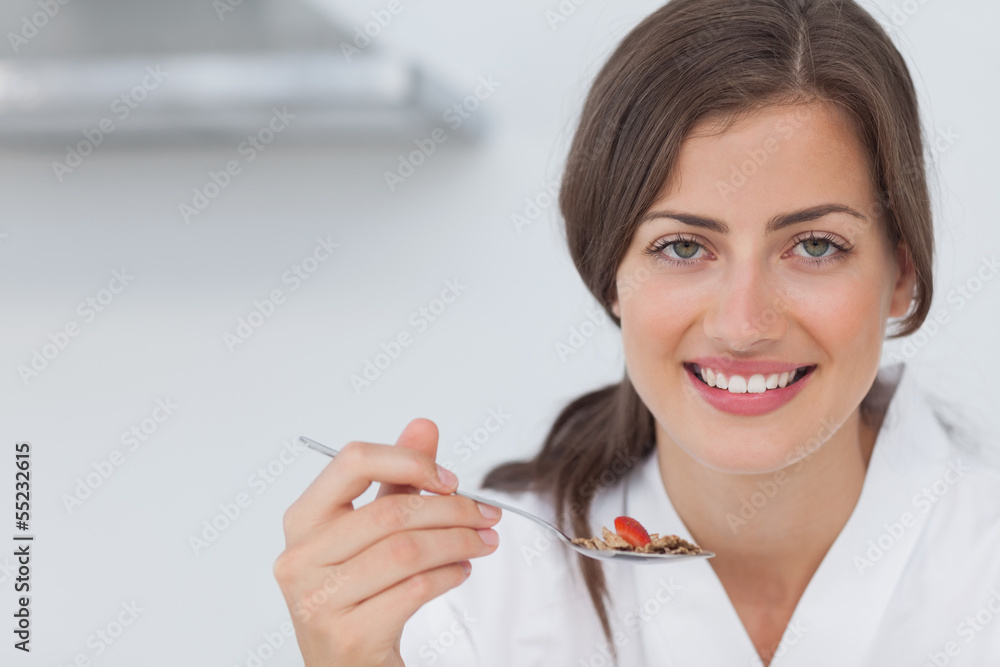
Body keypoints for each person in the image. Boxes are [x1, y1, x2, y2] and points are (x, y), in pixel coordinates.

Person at [273, 0, 1000, 665]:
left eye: (814, 245)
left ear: (902, 271)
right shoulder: (468, 599)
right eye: (683, 247)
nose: (743, 325)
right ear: (610, 274)